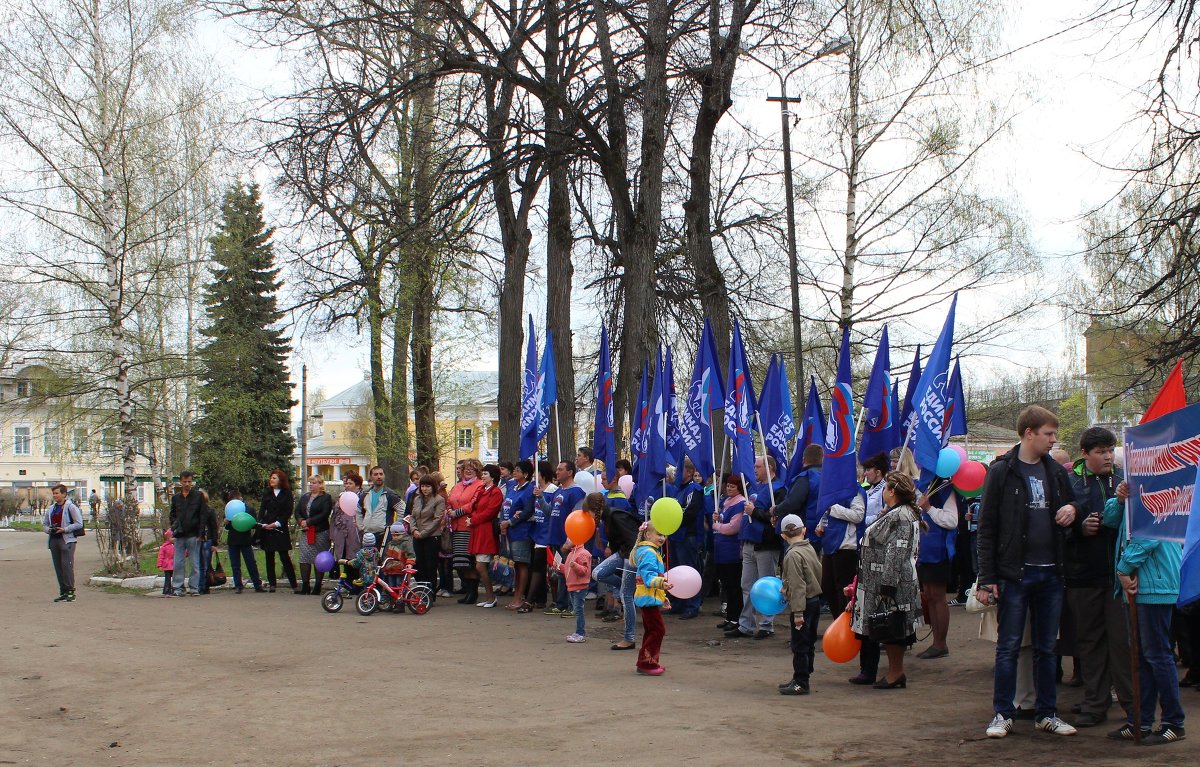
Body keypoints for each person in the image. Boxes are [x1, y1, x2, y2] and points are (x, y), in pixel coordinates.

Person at [977, 405, 1081, 739]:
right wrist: (986, 577)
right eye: (1049, 434)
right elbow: (987, 526)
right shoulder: (1002, 471)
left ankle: (1046, 712)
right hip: (1014, 575)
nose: (1054, 440)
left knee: (1047, 647)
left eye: (1054, 434)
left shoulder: (1055, 471)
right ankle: (1002, 713)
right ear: (1029, 433)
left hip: (1051, 573)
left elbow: (1076, 503)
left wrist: (1073, 508)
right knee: (1008, 646)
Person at [1104, 480, 1186, 744]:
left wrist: (1124, 568)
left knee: (1157, 655)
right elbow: (1111, 520)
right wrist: (1118, 499)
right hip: (1145, 582)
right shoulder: (1135, 486)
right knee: (1142, 656)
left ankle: (1173, 722)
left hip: (1154, 582)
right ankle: (1140, 721)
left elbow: (1149, 533)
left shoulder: (1157, 486)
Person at [1065, 426, 1132, 729]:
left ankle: (1133, 705)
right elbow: (1058, 526)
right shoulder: (1070, 484)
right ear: (1084, 454)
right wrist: (1081, 529)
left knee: (1123, 643)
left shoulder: (1124, 481)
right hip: (1083, 575)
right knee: (1089, 642)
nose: (1107, 456)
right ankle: (1095, 702)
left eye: (1110, 450)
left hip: (1121, 578)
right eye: (1100, 451)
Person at [850, 471, 922, 690]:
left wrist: (888, 584)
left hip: (892, 581)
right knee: (889, 628)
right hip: (879, 578)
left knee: (893, 627)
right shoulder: (898, 512)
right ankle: (892, 671)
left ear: (893, 491)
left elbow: (896, 551)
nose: (883, 492)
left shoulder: (902, 515)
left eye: (886, 488)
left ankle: (895, 672)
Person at [727, 456, 786, 639]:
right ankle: (746, 624)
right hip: (749, 543)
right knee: (747, 585)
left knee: (766, 586)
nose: (755, 470)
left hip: (766, 544)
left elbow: (777, 518)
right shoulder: (753, 488)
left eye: (758, 466)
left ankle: (766, 625)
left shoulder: (779, 489)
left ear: (769, 468)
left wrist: (756, 513)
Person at [778, 514, 823, 695]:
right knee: (809, 641)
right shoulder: (809, 548)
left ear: (783, 535)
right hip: (814, 601)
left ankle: (801, 681)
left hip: (802, 605)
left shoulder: (792, 555)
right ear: (804, 530)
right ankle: (804, 675)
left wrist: (797, 613)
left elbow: (797, 586)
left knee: (799, 645)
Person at [593, 480, 640, 650]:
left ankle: (629, 638)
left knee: (626, 596)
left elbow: (632, 538)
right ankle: (627, 588)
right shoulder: (607, 518)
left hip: (631, 555)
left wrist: (626, 556)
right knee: (598, 573)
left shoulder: (615, 515)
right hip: (623, 553)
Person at [915, 484, 959, 659]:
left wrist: (929, 508)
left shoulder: (946, 490)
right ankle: (936, 642)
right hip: (924, 551)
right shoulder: (922, 488)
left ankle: (941, 643)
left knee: (938, 597)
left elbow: (952, 521)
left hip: (939, 551)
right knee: (929, 595)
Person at [632, 520, 673, 675]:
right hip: (647, 598)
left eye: (664, 535)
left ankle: (648, 661)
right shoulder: (649, 553)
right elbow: (649, 578)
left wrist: (662, 597)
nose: (662, 538)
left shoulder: (650, 551)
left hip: (648, 598)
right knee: (657, 630)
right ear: (648, 534)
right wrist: (662, 584)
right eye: (659, 534)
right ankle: (646, 663)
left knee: (652, 630)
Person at [668, 459, 706, 619]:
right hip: (674, 536)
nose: (675, 473)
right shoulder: (676, 490)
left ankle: (692, 605)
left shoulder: (694, 489)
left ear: (689, 472)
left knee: (689, 571)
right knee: (675, 571)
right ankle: (678, 603)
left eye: (679, 470)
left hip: (688, 536)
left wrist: (672, 521)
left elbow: (689, 512)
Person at [499, 459, 536, 611]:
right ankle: (516, 595)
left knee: (521, 564)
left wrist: (511, 522)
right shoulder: (512, 487)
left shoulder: (529, 489)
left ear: (526, 474)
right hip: (509, 531)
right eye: (514, 469)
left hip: (522, 531)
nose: (514, 472)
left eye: (518, 470)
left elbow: (527, 511)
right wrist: (502, 522)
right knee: (514, 565)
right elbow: (505, 506)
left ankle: (519, 597)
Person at [712, 474, 746, 632]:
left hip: (732, 552)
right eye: (728, 486)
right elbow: (724, 522)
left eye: (733, 486)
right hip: (721, 551)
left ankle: (736, 618)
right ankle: (729, 617)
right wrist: (718, 519)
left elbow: (733, 527)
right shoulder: (725, 502)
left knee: (734, 587)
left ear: (739, 488)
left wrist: (717, 526)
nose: (729, 488)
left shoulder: (740, 503)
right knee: (726, 585)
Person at [467, 464, 504, 607]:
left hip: (486, 530)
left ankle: (491, 596)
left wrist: (473, 519)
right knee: (479, 564)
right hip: (478, 529)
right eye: (482, 474)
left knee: (481, 565)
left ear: (493, 477)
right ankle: (490, 596)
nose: (482, 476)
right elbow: (474, 506)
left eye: (486, 474)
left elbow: (490, 512)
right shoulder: (482, 490)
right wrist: (471, 518)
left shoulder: (496, 492)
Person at [447, 460, 484, 600]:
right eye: (466, 469)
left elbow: (473, 503)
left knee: (468, 561)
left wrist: (457, 512)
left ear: (477, 471)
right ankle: (467, 589)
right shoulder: (457, 486)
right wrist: (450, 510)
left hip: (469, 527)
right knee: (460, 562)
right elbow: (449, 501)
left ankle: (472, 592)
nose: (468, 471)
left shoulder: (479, 485)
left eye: (472, 469)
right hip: (456, 528)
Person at [258, 469, 298, 593]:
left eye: (274, 478)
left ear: (280, 480)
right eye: (271, 478)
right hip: (267, 527)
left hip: (280, 528)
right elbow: (262, 510)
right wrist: (262, 524)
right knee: (269, 557)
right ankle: (272, 584)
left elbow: (288, 511)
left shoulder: (287, 493)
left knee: (284, 557)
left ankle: (294, 584)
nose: (271, 480)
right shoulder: (267, 493)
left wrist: (276, 524)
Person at [169, 471, 208, 597]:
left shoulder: (198, 496)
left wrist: (201, 533)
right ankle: (178, 587)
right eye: (184, 481)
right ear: (180, 482)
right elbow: (172, 515)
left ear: (192, 482)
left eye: (189, 481)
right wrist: (174, 527)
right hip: (180, 535)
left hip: (194, 534)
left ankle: (194, 588)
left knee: (195, 562)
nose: (187, 484)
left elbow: (202, 515)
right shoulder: (176, 498)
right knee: (178, 562)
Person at [406, 474, 445, 600]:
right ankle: (421, 590)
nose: (425, 489)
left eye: (428, 486)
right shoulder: (417, 499)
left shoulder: (439, 500)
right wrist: (414, 530)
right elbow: (412, 516)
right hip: (417, 536)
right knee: (418, 565)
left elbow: (437, 519)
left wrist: (423, 533)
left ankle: (430, 594)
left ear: (433, 487)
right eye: (423, 486)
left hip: (431, 537)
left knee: (430, 566)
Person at [44, 483, 84, 602]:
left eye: (57, 493)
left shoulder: (70, 507)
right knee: (58, 567)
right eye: (54, 493)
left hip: (67, 540)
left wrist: (65, 529)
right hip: (54, 540)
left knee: (67, 566)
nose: (55, 496)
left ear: (64, 494)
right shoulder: (51, 509)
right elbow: (45, 524)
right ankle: (63, 591)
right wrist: (49, 530)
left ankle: (71, 592)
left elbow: (79, 523)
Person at [295, 475, 334, 595]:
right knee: (304, 558)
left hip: (320, 532)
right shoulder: (305, 497)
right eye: (310, 483)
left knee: (319, 559)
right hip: (306, 532)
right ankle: (305, 585)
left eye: (314, 483)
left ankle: (317, 585)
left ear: (321, 484)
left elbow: (324, 513)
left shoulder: (326, 497)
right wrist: (301, 520)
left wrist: (310, 521)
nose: (311, 485)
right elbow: (297, 511)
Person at [223, 490, 263, 594]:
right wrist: (226, 522)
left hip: (245, 539)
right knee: (235, 564)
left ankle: (257, 584)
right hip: (233, 540)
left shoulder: (248, 509)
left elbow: (254, 523)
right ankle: (238, 585)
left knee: (250, 563)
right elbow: (227, 526)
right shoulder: (229, 509)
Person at [559, 539, 593, 643]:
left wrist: (575, 566)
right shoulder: (572, 553)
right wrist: (558, 566)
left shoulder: (583, 553)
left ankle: (580, 633)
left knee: (579, 611)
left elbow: (584, 571)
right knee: (576, 610)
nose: (567, 541)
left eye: (569, 539)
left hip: (580, 586)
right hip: (573, 585)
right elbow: (567, 569)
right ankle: (579, 632)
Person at [360, 466, 403, 547]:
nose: (379, 476)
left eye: (381, 474)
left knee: (382, 559)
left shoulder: (390, 494)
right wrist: (361, 527)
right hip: (367, 535)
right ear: (371, 477)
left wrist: (395, 527)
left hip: (384, 535)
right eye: (375, 474)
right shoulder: (365, 494)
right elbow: (358, 510)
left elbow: (402, 509)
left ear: (384, 476)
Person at [333, 473, 364, 580]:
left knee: (355, 559)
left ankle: (356, 585)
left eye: (350, 483)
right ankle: (348, 585)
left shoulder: (362, 497)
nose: (347, 486)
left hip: (356, 533)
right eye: (346, 483)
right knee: (345, 559)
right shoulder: (341, 497)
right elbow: (335, 515)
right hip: (342, 534)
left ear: (358, 485)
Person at [197, 493, 219, 595]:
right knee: (199, 564)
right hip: (198, 540)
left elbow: (214, 527)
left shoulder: (209, 511)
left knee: (205, 564)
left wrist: (214, 543)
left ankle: (203, 586)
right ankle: (201, 586)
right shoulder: (195, 512)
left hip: (207, 540)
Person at [157, 529, 175, 596]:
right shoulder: (164, 547)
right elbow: (160, 556)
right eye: (171, 537)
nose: (173, 539)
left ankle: (174, 589)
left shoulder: (175, 546)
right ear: (167, 538)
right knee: (167, 579)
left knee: (175, 578)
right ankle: (166, 590)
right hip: (167, 565)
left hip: (173, 565)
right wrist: (160, 565)